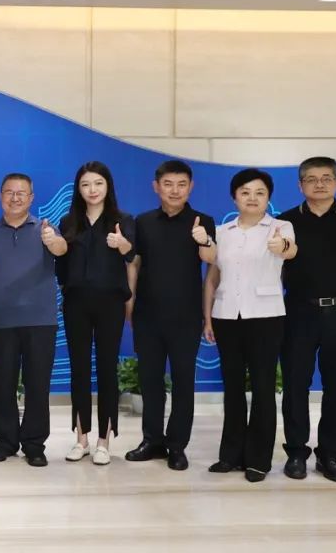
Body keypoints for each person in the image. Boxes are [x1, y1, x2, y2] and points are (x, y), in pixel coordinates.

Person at [278, 157, 336, 483]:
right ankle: (296, 453)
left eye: (326, 178)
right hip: (299, 311)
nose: (319, 184)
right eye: (312, 179)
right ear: (300, 184)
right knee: (294, 384)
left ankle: (329, 455)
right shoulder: (286, 220)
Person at [204, 168, 296, 483]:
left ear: (268, 197)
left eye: (259, 192)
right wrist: (207, 316)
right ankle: (230, 455)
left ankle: (258, 459)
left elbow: (290, 250)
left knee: (263, 387)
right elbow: (212, 277)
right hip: (227, 315)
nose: (252, 198)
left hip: (266, 317)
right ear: (234, 197)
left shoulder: (281, 227)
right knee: (232, 388)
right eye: (245, 192)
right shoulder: (222, 231)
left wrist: (283, 246)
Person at [124, 160, 217, 471]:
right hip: (147, 315)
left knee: (183, 382)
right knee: (150, 381)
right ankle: (152, 440)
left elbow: (211, 260)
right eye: (168, 184)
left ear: (191, 187)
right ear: (156, 187)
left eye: (181, 184)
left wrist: (204, 239)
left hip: (186, 316)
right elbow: (134, 264)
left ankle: (177, 446)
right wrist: (130, 303)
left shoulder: (203, 221)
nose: (175, 190)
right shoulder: (143, 221)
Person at [0, 173, 67, 466]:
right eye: (9, 192)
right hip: (1, 320)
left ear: (31, 198)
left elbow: (61, 249)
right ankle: (5, 441)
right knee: (3, 384)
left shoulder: (45, 229)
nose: (15, 198)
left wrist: (53, 241)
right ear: (0, 196)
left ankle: (34, 444)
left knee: (37, 384)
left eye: (21, 193)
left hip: (40, 321)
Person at [57, 161, 135, 466]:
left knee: (106, 369)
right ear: (78, 189)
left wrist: (122, 243)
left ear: (108, 186)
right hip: (76, 303)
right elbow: (61, 267)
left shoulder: (122, 220)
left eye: (98, 183)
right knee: (79, 370)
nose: (92, 190)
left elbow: (131, 254)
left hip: (110, 304)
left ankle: (104, 441)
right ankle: (81, 439)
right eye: (86, 184)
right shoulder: (68, 222)